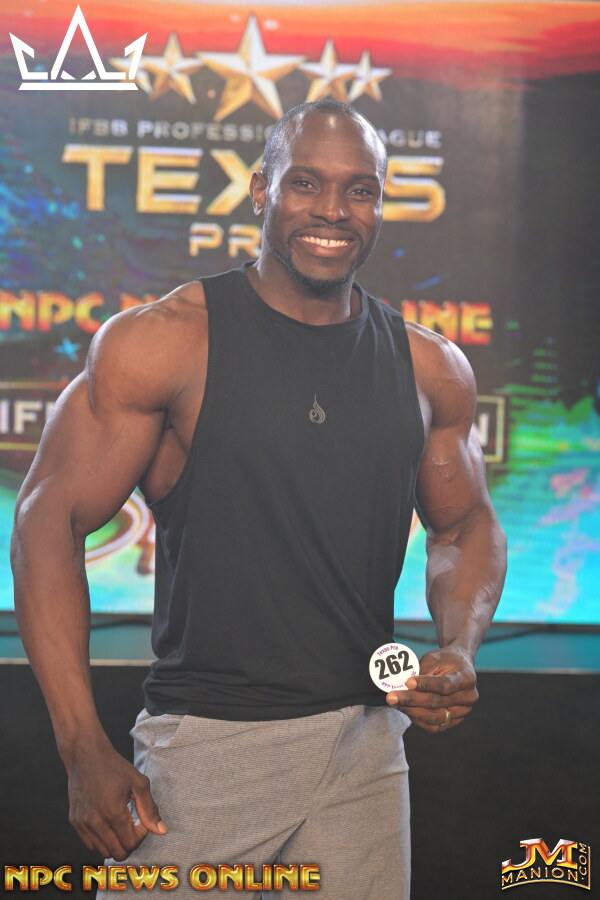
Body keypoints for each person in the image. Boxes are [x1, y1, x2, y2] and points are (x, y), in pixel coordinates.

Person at [11, 100, 506, 898]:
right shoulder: (164, 342)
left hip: (366, 749)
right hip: (205, 753)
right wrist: (80, 746)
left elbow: (466, 524)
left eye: (360, 190)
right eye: (306, 183)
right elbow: (47, 522)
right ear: (260, 190)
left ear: (381, 205)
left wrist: (460, 645)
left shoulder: (429, 368)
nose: (333, 210)